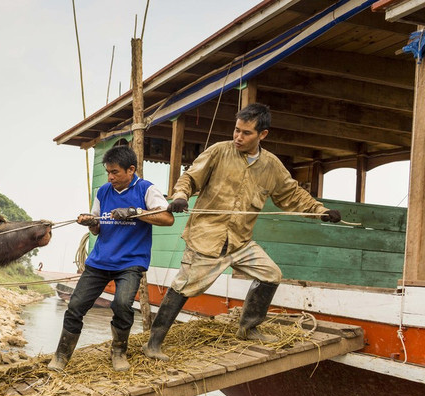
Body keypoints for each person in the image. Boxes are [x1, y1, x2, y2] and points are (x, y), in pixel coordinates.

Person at [143, 103, 342, 361]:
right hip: (207, 239)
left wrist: (320, 210)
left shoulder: (271, 166)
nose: (238, 137)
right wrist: (181, 196)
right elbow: (190, 178)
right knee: (183, 287)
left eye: (246, 133)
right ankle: (153, 343)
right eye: (236, 130)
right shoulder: (218, 152)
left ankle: (249, 327)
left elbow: (292, 195)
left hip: (240, 242)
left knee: (271, 275)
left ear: (263, 134)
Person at [48, 145, 175, 373]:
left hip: (130, 263)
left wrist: (135, 212)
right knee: (75, 306)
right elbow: (97, 229)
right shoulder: (103, 192)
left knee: (122, 304)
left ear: (131, 170)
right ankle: (61, 356)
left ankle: (119, 352)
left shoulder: (146, 189)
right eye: (108, 172)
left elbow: (167, 218)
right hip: (100, 262)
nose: (110, 177)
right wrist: (91, 222)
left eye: (115, 172)